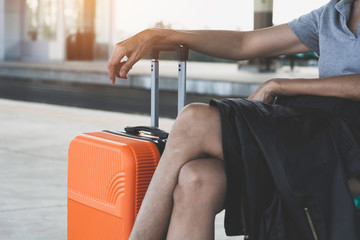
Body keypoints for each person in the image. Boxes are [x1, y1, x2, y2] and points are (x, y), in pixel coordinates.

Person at [107, 0, 360, 239]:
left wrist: (278, 85)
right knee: (198, 178)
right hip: (317, 134)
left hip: (348, 139)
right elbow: (243, 43)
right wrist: (162, 35)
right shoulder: (333, 14)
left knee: (194, 120)